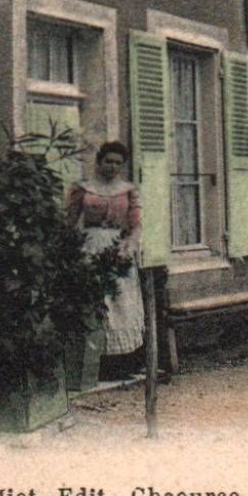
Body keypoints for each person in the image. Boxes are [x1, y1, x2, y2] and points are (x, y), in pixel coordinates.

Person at [65, 141, 145, 379]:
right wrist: (72, 251)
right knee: (96, 299)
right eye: (108, 161)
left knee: (120, 301)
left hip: (117, 248)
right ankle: (93, 362)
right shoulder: (83, 188)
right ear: (99, 162)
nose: (112, 166)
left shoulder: (128, 190)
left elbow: (136, 225)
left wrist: (127, 247)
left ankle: (122, 363)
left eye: (118, 163)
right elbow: (69, 222)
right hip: (89, 246)